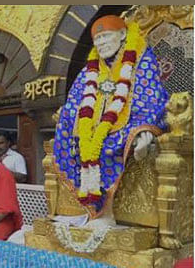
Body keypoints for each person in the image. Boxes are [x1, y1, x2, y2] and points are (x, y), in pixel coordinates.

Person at [53, 15, 168, 219]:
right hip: (91, 129)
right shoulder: (92, 66)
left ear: (122, 34)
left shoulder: (140, 57)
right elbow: (76, 96)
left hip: (127, 121)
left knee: (116, 141)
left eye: (106, 36)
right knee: (71, 134)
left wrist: (144, 128)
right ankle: (88, 209)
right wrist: (69, 118)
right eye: (98, 40)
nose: (102, 43)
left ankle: (107, 214)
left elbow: (150, 94)